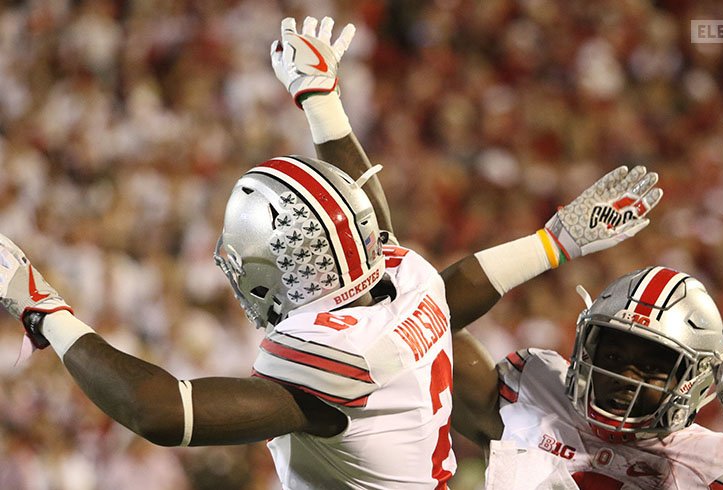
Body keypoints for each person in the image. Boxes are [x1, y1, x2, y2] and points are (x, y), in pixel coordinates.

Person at [0, 17, 662, 490]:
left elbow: (162, 412)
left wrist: (42, 309)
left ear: (273, 271)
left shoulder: (331, 359)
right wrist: (321, 104)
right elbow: (448, 280)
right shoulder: (402, 278)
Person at [451, 266, 723, 489]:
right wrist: (547, 246)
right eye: (613, 357)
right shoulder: (535, 391)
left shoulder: (713, 464)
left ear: (692, 382)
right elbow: (429, 319)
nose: (626, 377)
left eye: (651, 368)